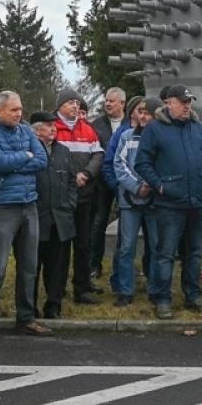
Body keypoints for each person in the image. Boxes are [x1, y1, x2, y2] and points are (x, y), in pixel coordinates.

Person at [134, 85, 202, 320]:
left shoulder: (198, 129)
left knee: (193, 253)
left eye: (189, 102)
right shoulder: (155, 129)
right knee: (165, 253)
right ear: (169, 103)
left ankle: (193, 295)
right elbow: (142, 163)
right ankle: (162, 298)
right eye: (182, 102)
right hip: (169, 204)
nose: (186, 106)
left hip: (196, 203)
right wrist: (159, 185)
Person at [0, 91, 49, 345]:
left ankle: (26, 318)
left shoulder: (27, 131)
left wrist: (18, 162)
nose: (19, 114)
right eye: (13, 110)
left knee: (29, 267)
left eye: (20, 109)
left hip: (29, 204)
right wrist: (24, 157)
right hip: (3, 206)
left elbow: (42, 160)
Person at [54, 90, 104, 305]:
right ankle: (58, 287)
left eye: (77, 102)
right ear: (60, 106)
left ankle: (82, 288)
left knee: (83, 244)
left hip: (84, 196)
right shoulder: (53, 128)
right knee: (61, 246)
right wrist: (70, 178)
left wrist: (87, 174)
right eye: (70, 102)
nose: (75, 106)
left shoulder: (87, 129)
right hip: (61, 199)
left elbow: (98, 155)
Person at [108, 95, 159, 306]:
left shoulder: (161, 137)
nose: (143, 116)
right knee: (127, 247)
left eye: (148, 113)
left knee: (156, 246)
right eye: (141, 112)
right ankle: (125, 291)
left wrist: (151, 185)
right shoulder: (126, 136)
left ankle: (156, 290)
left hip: (155, 201)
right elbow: (119, 165)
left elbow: (164, 165)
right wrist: (137, 187)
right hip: (130, 201)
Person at [31, 111, 80, 320]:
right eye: (49, 125)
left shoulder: (63, 151)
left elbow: (71, 181)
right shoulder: (29, 150)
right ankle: (29, 306)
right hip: (36, 217)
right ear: (36, 129)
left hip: (61, 218)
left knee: (58, 266)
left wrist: (70, 205)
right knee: (32, 266)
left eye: (55, 125)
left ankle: (53, 304)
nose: (54, 129)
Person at [88, 88, 129, 284]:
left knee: (127, 224)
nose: (108, 104)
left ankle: (122, 265)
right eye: (106, 100)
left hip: (126, 182)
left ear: (122, 103)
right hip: (102, 182)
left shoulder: (131, 123)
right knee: (98, 222)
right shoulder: (96, 125)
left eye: (112, 101)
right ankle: (94, 264)